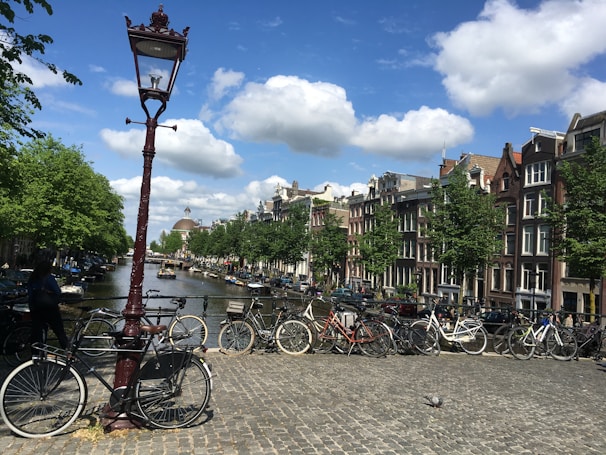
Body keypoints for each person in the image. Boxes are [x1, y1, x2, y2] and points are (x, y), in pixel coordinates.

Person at [27, 260, 69, 352]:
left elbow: (30, 295)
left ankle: (36, 353)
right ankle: (68, 352)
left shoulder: (32, 278)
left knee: (36, 333)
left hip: (36, 309)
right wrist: (48, 292)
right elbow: (58, 292)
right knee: (59, 331)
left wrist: (32, 308)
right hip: (50, 309)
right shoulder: (49, 278)